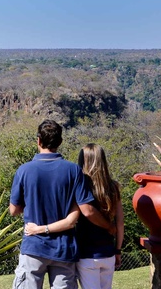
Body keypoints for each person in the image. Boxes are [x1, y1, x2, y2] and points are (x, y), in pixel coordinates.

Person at [9, 120, 115, 289]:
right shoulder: (73, 171)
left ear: (38, 141)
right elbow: (86, 210)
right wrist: (109, 226)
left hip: (33, 247)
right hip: (63, 249)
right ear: (60, 142)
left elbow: (14, 210)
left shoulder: (24, 170)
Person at [24, 143, 124, 289]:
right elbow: (120, 222)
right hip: (108, 253)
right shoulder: (113, 187)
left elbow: (80, 215)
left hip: (87, 254)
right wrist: (117, 250)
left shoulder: (80, 186)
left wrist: (39, 229)